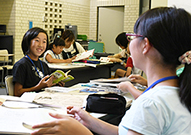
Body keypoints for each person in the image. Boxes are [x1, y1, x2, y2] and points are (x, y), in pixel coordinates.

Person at [31, 7, 191, 135]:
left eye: (132, 37)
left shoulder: (150, 104)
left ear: (145, 45)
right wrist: (88, 121)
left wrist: (80, 132)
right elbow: (127, 132)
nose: (130, 42)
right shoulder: (177, 92)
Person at [13, 27, 64, 97]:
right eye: (37, 40)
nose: (41, 45)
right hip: (29, 103)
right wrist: (38, 87)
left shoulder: (44, 65)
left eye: (44, 42)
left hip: (44, 99)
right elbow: (17, 93)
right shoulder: (21, 65)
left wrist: (56, 84)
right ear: (28, 42)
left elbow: (46, 85)